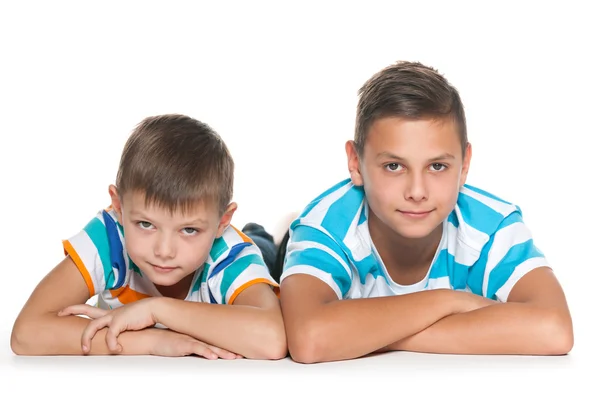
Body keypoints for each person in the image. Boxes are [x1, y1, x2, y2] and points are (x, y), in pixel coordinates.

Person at [278, 61, 574, 364]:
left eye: (437, 166)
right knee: (266, 253)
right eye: (394, 166)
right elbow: (310, 338)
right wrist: (451, 301)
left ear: (464, 164)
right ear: (355, 163)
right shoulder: (326, 227)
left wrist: (366, 335)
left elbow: (554, 329)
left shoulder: (491, 227)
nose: (417, 191)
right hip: (288, 249)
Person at [11, 114, 287, 360]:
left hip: (258, 253)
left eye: (189, 229)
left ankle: (262, 233)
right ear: (119, 208)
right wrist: (153, 340)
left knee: (266, 251)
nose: (164, 251)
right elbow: (27, 332)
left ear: (222, 222)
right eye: (145, 224)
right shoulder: (110, 237)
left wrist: (157, 310)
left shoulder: (229, 252)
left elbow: (273, 340)